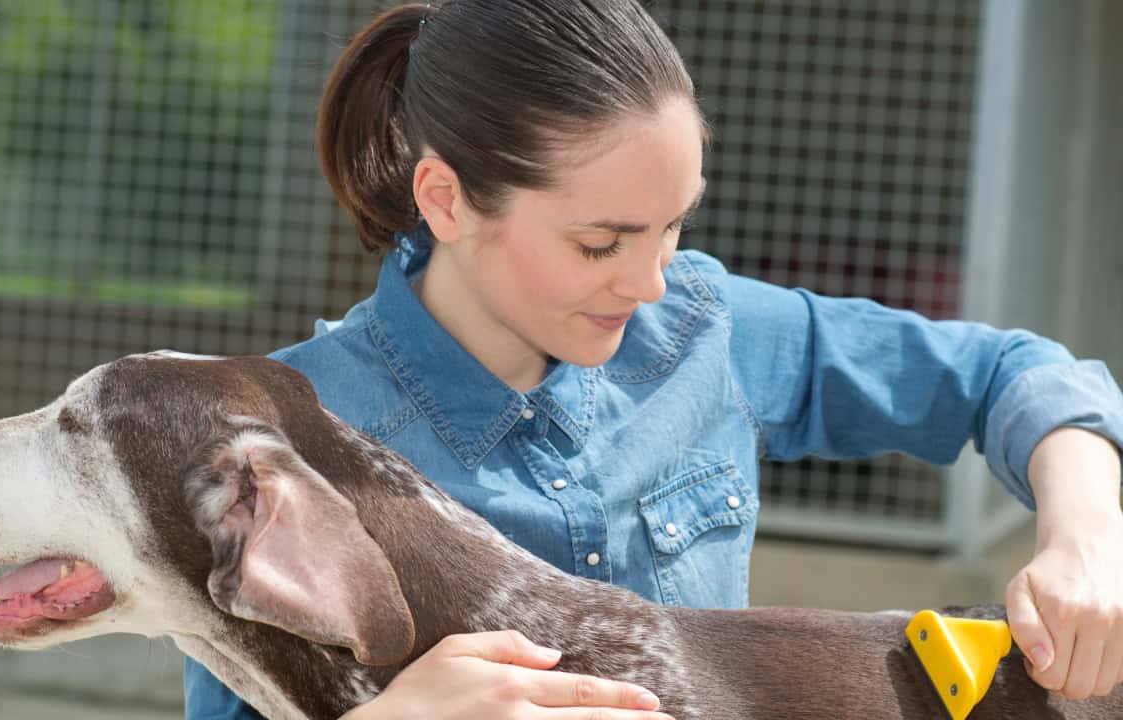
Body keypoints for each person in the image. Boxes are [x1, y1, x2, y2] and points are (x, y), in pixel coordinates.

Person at [183, 1, 1123, 717]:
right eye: (602, 244)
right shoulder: (276, 446)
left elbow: (1016, 375)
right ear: (447, 200)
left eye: (674, 226)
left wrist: (1087, 538)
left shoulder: (707, 325)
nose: (654, 285)